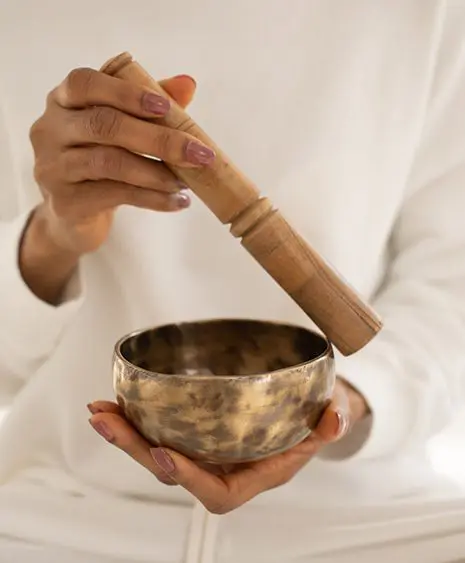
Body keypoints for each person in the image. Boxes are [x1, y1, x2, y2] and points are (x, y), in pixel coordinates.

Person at [1, 0, 465, 561]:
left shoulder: (423, 13)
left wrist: (347, 400)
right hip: (64, 509)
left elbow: (451, 290)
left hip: (365, 515)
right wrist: (53, 236)